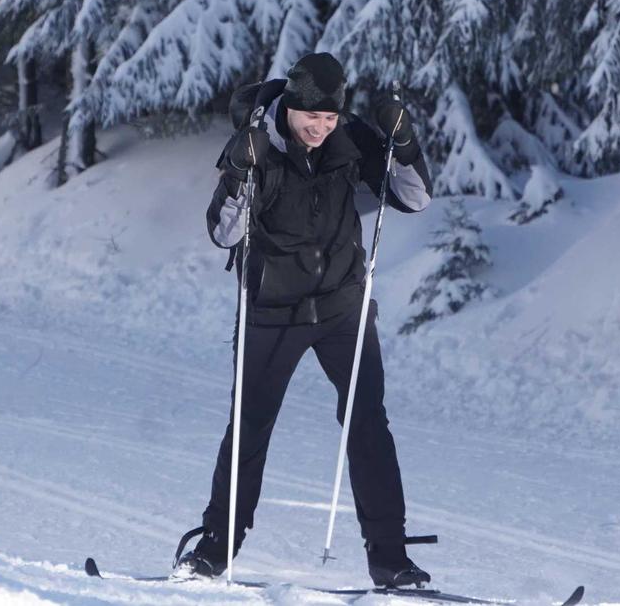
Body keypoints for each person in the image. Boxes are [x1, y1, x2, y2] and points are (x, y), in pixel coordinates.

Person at [177, 53, 434, 587]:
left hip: (342, 306)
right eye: (310, 118)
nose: (320, 129)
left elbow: (415, 198)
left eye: (330, 119)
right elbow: (223, 234)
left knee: (368, 422)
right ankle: (214, 549)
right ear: (289, 106)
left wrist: (404, 146)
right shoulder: (258, 145)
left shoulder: (348, 141)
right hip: (273, 311)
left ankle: (390, 558)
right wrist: (238, 174)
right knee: (249, 427)